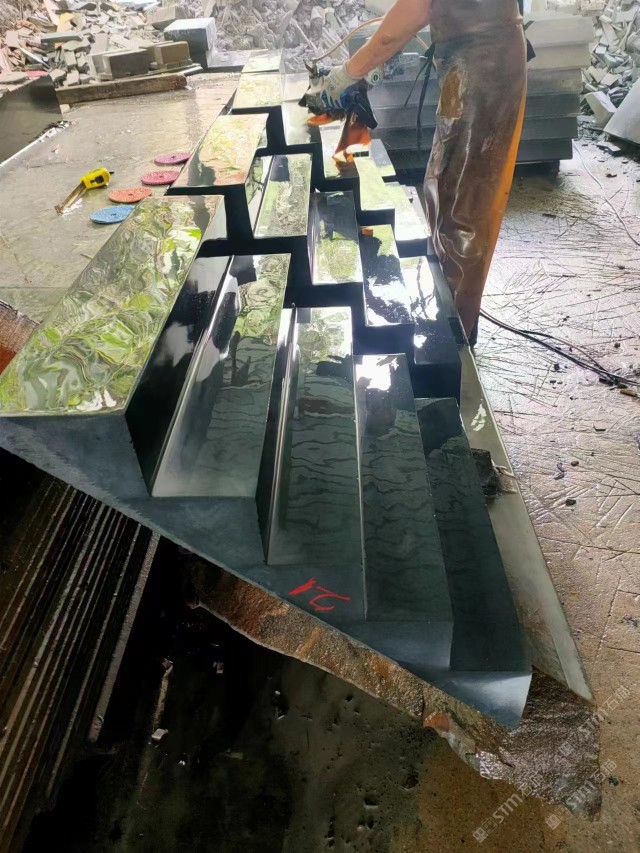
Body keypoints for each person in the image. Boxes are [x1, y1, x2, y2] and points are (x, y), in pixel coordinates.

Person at [318, 0, 527, 343]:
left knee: (465, 206)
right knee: (444, 185)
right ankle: (448, 304)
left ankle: (453, 340)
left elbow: (414, 10)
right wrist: (372, 59)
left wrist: (349, 72)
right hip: (473, 57)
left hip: (484, 64)